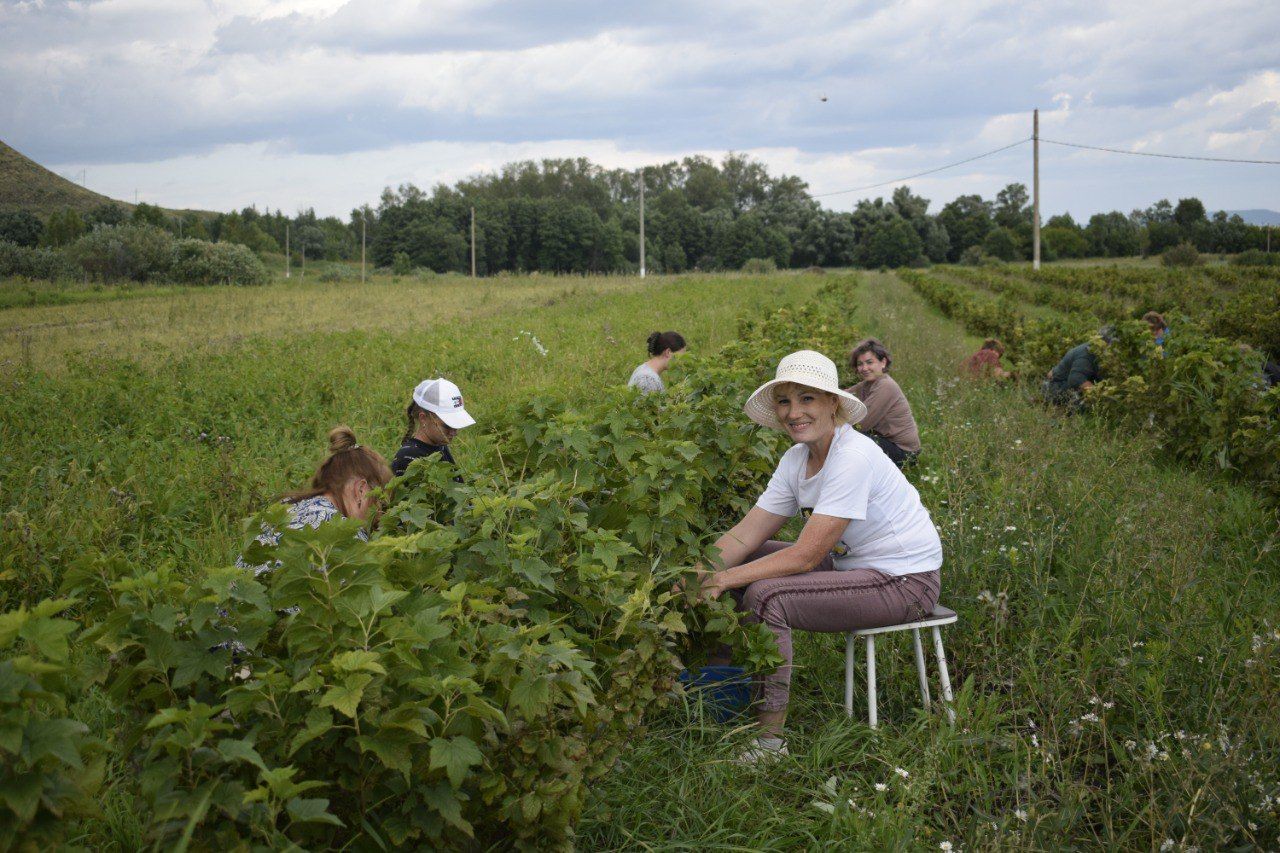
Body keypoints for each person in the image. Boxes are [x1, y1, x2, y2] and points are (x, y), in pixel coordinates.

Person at [687, 350, 942, 761]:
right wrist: (698, 572)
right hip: (853, 567)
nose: (793, 413)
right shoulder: (797, 459)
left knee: (767, 595)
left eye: (807, 399)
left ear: (832, 404)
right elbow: (745, 535)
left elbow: (806, 557)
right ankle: (722, 684)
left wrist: (721, 580)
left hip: (905, 581)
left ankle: (769, 744)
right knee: (742, 563)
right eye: (785, 401)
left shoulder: (852, 455)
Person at [238, 426, 392, 576]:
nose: (379, 515)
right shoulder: (347, 537)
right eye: (379, 501)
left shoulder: (285, 506)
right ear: (361, 490)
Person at [846, 338, 921, 467]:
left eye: (869, 362)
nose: (864, 368)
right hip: (886, 441)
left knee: (849, 435)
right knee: (846, 433)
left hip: (904, 453)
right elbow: (844, 395)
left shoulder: (886, 386)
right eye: (860, 364)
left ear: (883, 362)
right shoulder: (867, 384)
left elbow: (862, 424)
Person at [391, 377, 476, 477]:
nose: (454, 433)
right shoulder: (407, 459)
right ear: (423, 418)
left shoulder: (440, 446)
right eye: (447, 426)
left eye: (456, 426)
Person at [1042, 327, 1113, 407]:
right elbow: (1076, 379)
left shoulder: (1097, 351)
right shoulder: (1088, 353)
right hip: (1056, 387)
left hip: (1061, 384)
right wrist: (1103, 398)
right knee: (1085, 404)